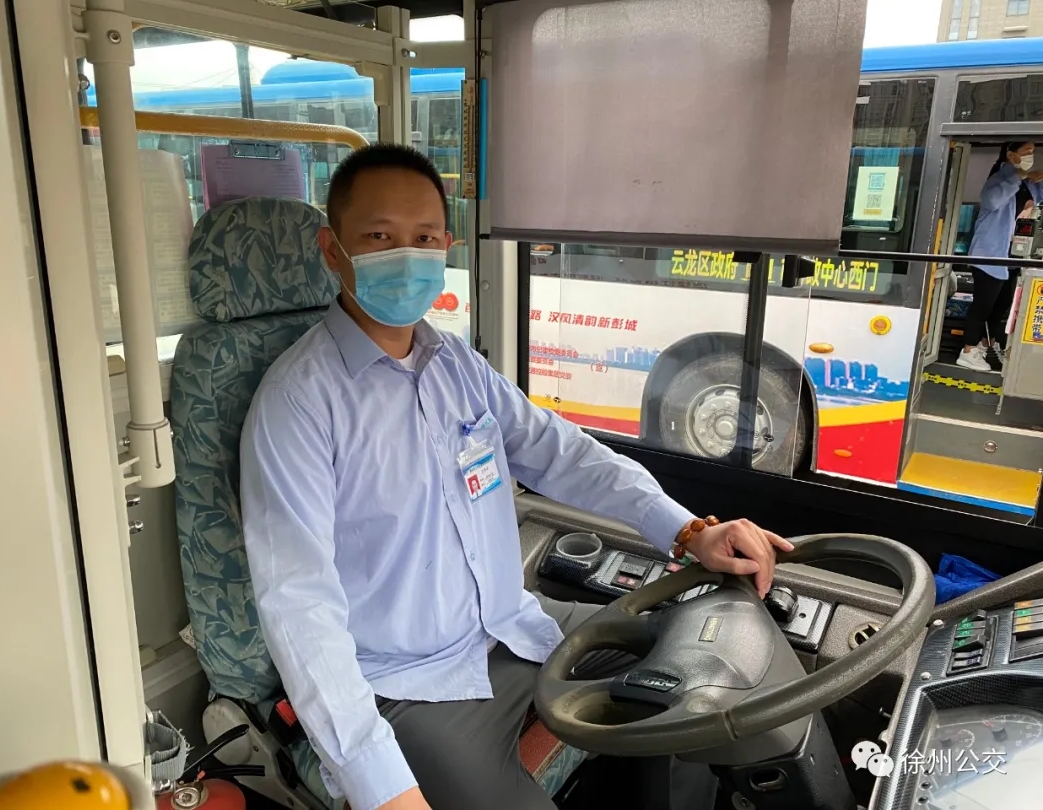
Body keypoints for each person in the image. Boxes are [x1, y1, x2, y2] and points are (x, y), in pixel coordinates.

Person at [240, 144, 793, 810]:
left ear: (446, 246)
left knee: (694, 680)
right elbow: (299, 602)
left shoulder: (454, 363)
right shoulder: (298, 401)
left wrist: (689, 530)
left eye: (423, 238)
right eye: (380, 238)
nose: (406, 257)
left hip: (512, 625)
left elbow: (562, 453)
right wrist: (377, 783)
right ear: (334, 251)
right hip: (405, 684)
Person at [958, 141, 1043, 372]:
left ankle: (987, 344)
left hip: (1011, 256)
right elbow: (992, 201)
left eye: (1033, 152)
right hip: (989, 254)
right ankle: (968, 351)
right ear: (1011, 154)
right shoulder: (999, 179)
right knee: (983, 305)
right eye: (1026, 151)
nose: (1030, 155)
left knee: (1001, 306)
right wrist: (1017, 175)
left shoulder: (1027, 185)